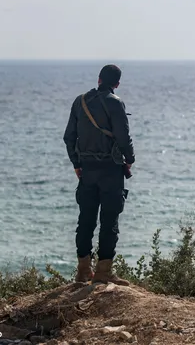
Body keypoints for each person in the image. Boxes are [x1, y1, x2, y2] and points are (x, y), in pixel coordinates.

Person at [63, 64, 135, 285]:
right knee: (109, 220)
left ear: (99, 79)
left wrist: (76, 163)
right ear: (117, 84)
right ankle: (103, 272)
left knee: (85, 220)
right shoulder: (116, 103)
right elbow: (123, 137)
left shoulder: (80, 102)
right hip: (111, 170)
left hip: (87, 170)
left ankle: (83, 271)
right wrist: (130, 159)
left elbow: (69, 137)